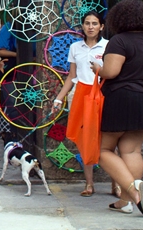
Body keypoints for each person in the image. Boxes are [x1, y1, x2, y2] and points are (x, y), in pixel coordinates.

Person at [94, 0, 143, 217]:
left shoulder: (119, 41)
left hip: (121, 98)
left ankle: (134, 193)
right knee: (132, 150)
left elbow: (111, 72)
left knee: (102, 150)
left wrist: (98, 68)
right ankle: (125, 201)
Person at [51, 11, 116, 197]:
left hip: (102, 94)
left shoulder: (109, 46)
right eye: (87, 23)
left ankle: (116, 184)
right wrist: (59, 98)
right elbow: (72, 76)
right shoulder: (75, 47)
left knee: (108, 140)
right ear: (83, 25)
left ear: (102, 26)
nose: (90, 26)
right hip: (81, 94)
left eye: (95, 23)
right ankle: (89, 184)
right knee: (84, 139)